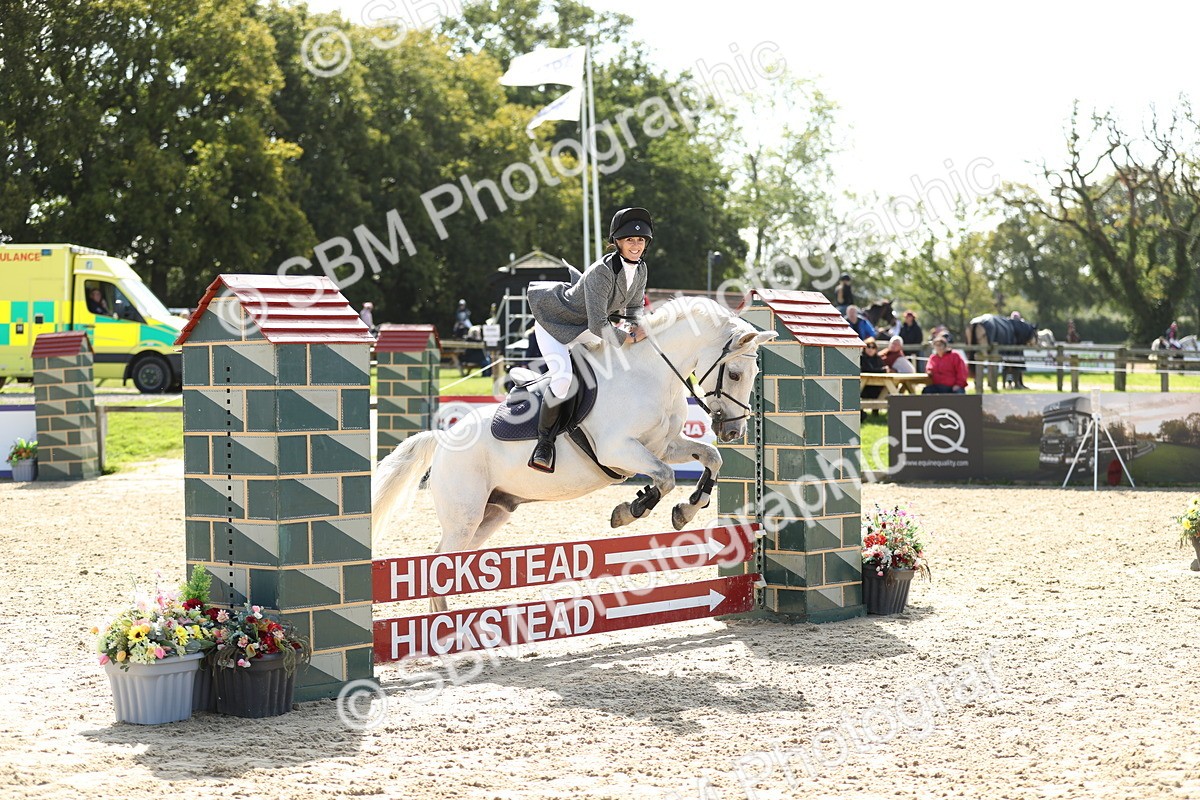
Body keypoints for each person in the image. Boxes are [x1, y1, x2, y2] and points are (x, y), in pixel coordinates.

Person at [524, 207, 651, 472]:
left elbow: (634, 309)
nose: (636, 245)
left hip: (586, 329)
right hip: (556, 327)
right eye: (630, 240)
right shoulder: (601, 272)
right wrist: (627, 337)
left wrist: (639, 326)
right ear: (617, 242)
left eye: (640, 240)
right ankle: (544, 444)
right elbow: (597, 324)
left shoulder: (640, 270)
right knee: (562, 380)